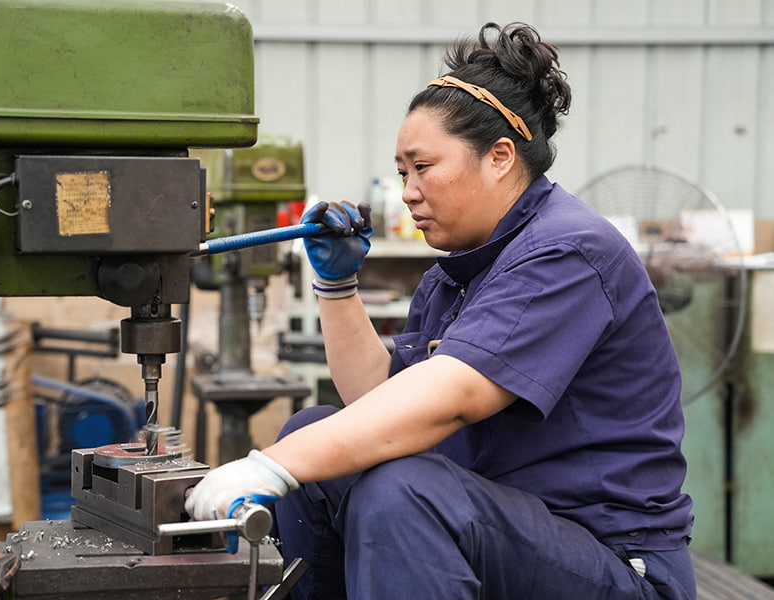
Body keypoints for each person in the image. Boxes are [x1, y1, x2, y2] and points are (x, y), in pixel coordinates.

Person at [186, 21, 696, 600]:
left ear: (500, 157)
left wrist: (269, 465)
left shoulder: (568, 252)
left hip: (614, 562)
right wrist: (337, 285)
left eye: (422, 167)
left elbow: (452, 396)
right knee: (314, 437)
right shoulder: (455, 275)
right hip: (514, 536)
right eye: (402, 172)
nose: (407, 190)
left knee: (400, 489)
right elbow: (376, 403)